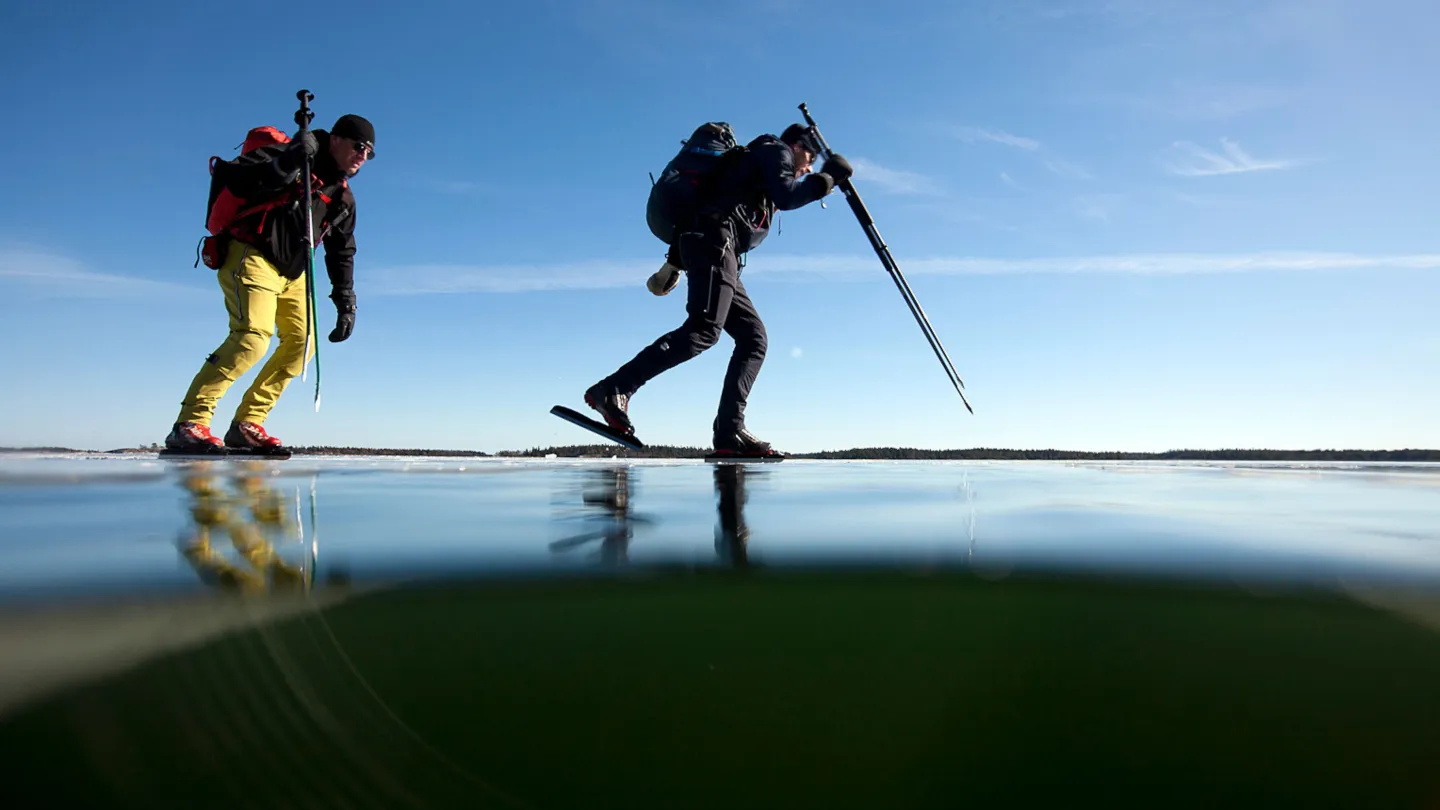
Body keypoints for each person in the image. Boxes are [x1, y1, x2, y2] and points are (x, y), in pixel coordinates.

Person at [585, 123, 853, 458]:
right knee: (704, 329)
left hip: (714, 244)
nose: (808, 167)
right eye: (810, 158)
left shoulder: (756, 164)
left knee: (754, 337)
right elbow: (788, 195)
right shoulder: (776, 149)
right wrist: (826, 180)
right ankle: (614, 388)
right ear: (797, 145)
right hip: (713, 239)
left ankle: (729, 430)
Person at [165, 114, 375, 454]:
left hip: (293, 272)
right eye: (359, 147)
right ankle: (191, 423)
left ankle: (247, 424)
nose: (363, 156)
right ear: (336, 139)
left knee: (302, 344)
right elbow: (237, 180)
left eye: (369, 153)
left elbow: (342, 252)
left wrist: (345, 302)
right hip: (252, 253)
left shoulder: (342, 198)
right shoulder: (285, 153)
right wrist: (289, 159)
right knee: (251, 338)